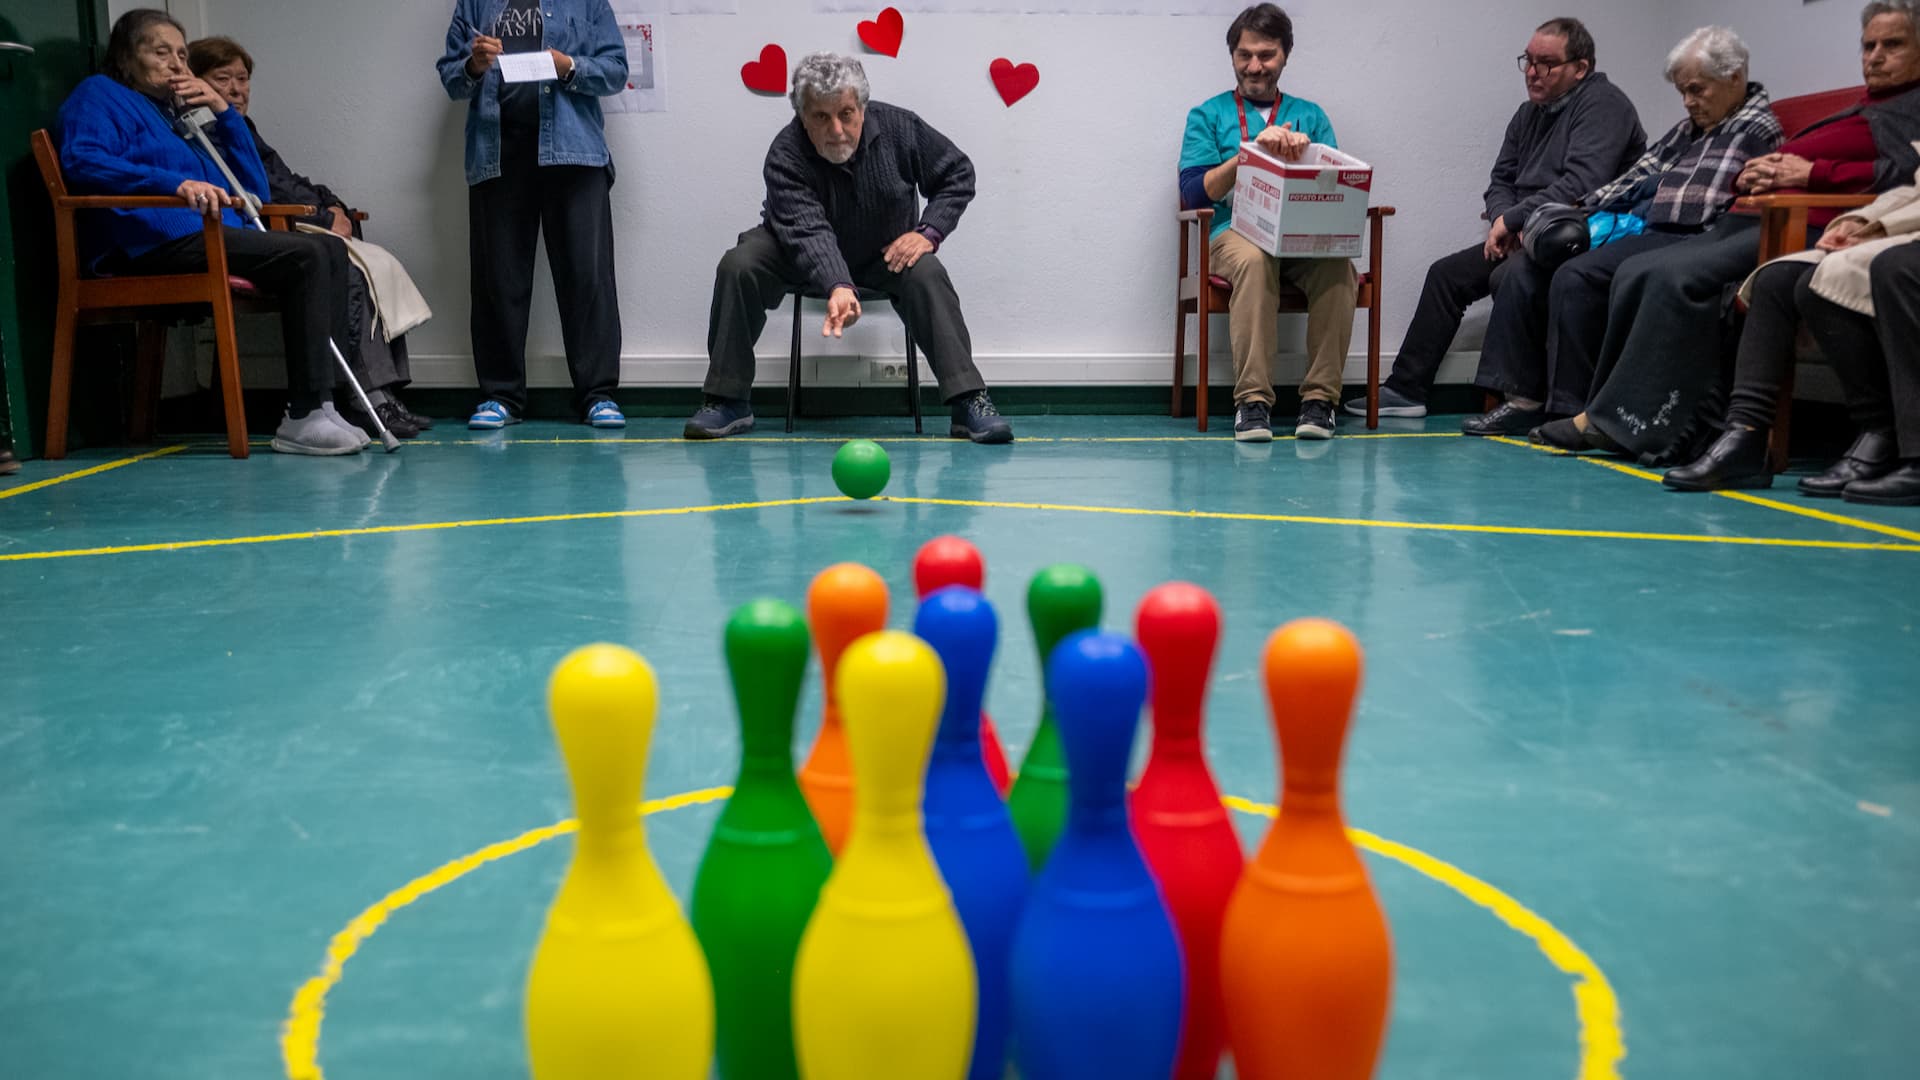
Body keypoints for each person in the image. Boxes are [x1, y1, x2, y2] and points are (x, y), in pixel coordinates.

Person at [1530, 0, 1920, 461]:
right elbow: (1731, 172)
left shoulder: (1909, 109)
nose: (1874, 56)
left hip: (1800, 223)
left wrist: (1808, 175)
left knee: (1674, 277)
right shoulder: (1868, 105)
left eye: (1891, 44)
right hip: (1752, 210)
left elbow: (1904, 172)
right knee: (1637, 269)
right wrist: (1755, 175)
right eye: (1868, 45)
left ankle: (1642, 425)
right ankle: (1606, 413)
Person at [56, 9, 364, 455]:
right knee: (307, 254)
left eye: (182, 55)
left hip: (206, 237)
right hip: (148, 241)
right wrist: (172, 183)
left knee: (327, 249)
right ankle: (304, 414)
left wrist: (221, 111)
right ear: (126, 58)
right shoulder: (99, 94)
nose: (177, 65)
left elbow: (253, 190)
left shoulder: (174, 115)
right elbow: (82, 160)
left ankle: (323, 404)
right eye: (162, 52)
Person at [1462, 26, 1780, 437]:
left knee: (1576, 276)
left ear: (1735, 77)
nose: (1688, 102)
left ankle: (1572, 407)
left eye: (1697, 90)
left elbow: (1702, 206)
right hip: (1648, 227)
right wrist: (1574, 211)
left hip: (1693, 237)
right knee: (1524, 268)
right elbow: (1635, 177)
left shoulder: (1755, 127)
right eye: (1683, 91)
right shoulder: (1690, 128)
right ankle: (1523, 399)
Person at [685, 52, 1013, 444]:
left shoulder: (901, 128)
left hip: (883, 253)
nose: (837, 129)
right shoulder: (785, 153)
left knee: (927, 271)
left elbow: (957, 173)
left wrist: (928, 232)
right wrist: (838, 283)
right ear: (802, 116)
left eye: (846, 114)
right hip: (796, 250)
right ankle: (727, 399)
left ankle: (968, 401)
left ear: (862, 108)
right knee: (739, 265)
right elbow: (808, 231)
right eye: (821, 117)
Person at [1346, 17, 1645, 421]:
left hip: (1581, 233)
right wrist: (1504, 219)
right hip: (1527, 231)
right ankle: (1406, 389)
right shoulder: (1529, 114)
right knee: (1445, 276)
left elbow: (1583, 185)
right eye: (1528, 61)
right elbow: (1501, 177)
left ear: (1581, 68)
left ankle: (1519, 399)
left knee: (1509, 277)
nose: (1533, 72)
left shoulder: (1604, 105)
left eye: (1547, 63)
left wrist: (1518, 220)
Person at [189, 36, 434, 440]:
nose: (236, 89)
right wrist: (323, 216)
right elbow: (267, 191)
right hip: (263, 233)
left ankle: (385, 394)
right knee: (350, 267)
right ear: (197, 82)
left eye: (243, 79)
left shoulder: (242, 127)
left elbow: (288, 178)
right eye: (223, 79)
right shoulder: (207, 133)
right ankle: (365, 399)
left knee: (376, 263)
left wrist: (335, 206)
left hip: (300, 223)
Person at [1664, 166, 1920, 501]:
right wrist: (1858, 222)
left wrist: (1880, 228)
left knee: (1872, 271)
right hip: (1900, 231)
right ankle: (1746, 434)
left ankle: (1885, 433)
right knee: (1777, 278)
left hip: (1906, 239)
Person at [437, 0, 629, 430]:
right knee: (497, 281)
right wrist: (474, 64)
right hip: (497, 157)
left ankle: (598, 394)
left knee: (587, 277)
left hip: (575, 155)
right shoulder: (475, 2)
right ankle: (499, 397)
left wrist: (568, 67)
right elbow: (452, 78)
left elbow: (616, 69)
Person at [1178, 4, 1358, 442]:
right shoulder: (1207, 114)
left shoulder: (1311, 116)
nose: (1254, 66)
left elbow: (1335, 190)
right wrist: (1248, 154)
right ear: (1233, 57)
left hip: (1299, 238)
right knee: (1256, 261)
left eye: (1266, 54)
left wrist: (1309, 155)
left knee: (1340, 267)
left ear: (1285, 56)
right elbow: (1193, 193)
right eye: (1245, 55)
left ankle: (1320, 402)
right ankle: (1252, 403)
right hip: (1231, 235)